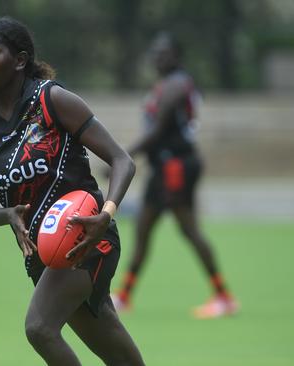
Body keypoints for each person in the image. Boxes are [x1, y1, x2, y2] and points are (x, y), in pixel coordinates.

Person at [0, 16, 145, 366]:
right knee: (118, 355)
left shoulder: (52, 100)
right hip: (41, 255)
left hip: (86, 240)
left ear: (19, 60)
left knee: (39, 328)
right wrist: (7, 215)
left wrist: (104, 215)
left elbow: (123, 161)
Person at [110, 32, 239, 319]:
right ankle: (123, 296)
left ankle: (224, 297)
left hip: (176, 167)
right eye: (155, 53)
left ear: (177, 57)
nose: (159, 57)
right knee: (143, 228)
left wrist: (121, 158)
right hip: (165, 166)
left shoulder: (177, 85)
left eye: (165, 53)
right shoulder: (166, 85)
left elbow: (156, 132)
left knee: (188, 229)